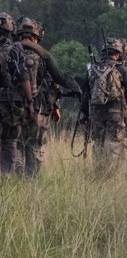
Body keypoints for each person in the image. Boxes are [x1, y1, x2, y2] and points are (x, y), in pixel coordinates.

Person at [16, 17, 81, 177]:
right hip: (36, 109)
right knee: (34, 145)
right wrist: (78, 88)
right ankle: (30, 183)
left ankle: (13, 180)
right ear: (36, 36)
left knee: (14, 145)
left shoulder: (9, 51)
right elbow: (60, 78)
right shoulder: (43, 55)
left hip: (11, 109)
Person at [83, 38, 127, 177]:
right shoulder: (123, 69)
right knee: (115, 144)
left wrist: (85, 115)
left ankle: (99, 174)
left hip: (96, 114)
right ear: (118, 54)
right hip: (116, 113)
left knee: (99, 144)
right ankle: (112, 177)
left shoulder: (93, 69)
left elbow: (86, 92)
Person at [0, 13, 33, 175]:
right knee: (9, 141)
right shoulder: (15, 48)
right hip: (9, 104)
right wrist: (30, 101)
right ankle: (4, 177)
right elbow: (23, 77)